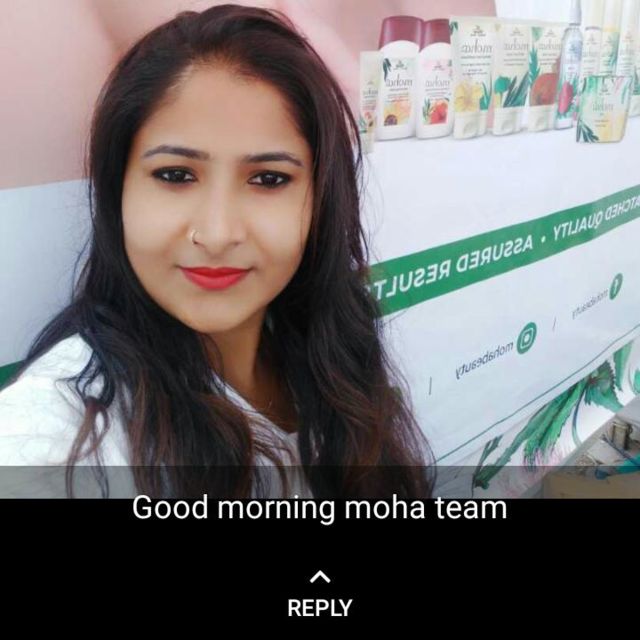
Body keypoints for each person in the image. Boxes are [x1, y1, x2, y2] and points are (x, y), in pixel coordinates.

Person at [0, 4, 436, 499]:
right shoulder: (55, 436)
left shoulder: (330, 357)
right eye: (175, 175)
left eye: (268, 179)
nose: (217, 233)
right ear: (118, 191)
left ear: (320, 200)